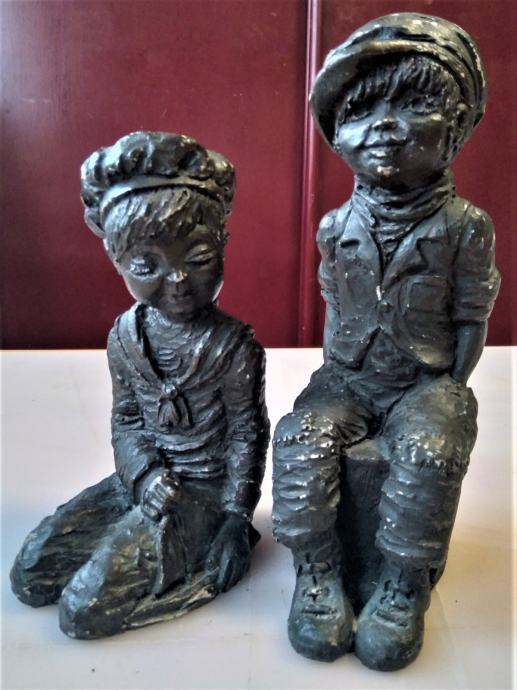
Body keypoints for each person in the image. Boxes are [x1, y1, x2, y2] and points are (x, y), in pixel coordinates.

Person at [272, 14, 500, 670]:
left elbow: (471, 315)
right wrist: (337, 372)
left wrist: (448, 386)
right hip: (347, 378)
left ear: (455, 127)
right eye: (361, 111)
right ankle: (318, 570)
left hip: (423, 382)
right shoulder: (335, 226)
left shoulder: (464, 227)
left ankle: (401, 584)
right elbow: (334, 305)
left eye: (415, 106)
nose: (385, 127)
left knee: (429, 452)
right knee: (299, 439)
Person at [11, 131, 269, 639]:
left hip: (202, 495)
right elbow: (127, 419)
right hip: (141, 483)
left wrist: (236, 518)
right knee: (32, 572)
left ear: (223, 246)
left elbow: (247, 434)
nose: (177, 281)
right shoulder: (125, 338)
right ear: (117, 262)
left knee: (82, 611)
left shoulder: (234, 348)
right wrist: (145, 476)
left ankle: (188, 575)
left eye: (197, 259)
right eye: (147, 266)